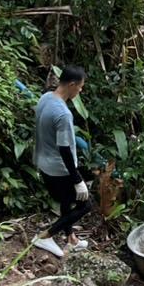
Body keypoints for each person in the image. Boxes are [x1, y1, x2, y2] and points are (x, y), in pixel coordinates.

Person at [33, 65, 89, 256]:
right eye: (80, 87)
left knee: (66, 201)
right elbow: (64, 149)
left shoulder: (46, 98)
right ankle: (45, 236)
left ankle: (71, 239)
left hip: (43, 161)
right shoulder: (63, 114)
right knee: (85, 204)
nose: (80, 91)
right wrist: (78, 180)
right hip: (59, 168)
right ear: (72, 84)